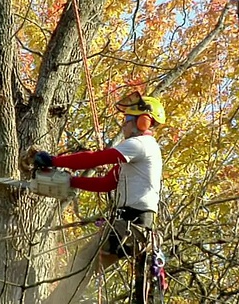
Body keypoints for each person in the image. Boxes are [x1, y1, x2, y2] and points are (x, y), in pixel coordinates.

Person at [34, 91, 165, 304]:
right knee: (85, 266)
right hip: (132, 227)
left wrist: (54, 161)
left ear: (142, 122)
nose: (123, 125)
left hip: (131, 225)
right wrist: (71, 181)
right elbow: (106, 183)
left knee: (81, 263)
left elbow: (97, 158)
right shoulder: (135, 158)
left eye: (127, 120)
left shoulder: (141, 144)